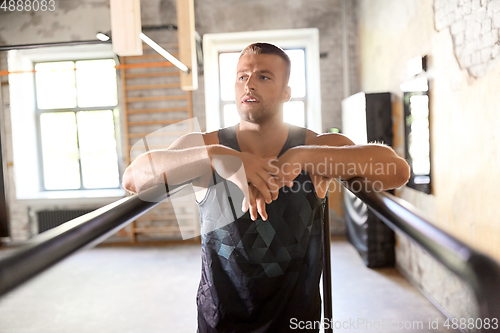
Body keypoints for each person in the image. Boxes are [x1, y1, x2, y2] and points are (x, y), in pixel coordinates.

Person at [123, 42, 410, 332]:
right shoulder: (204, 147)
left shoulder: (317, 147)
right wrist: (217, 157)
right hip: (220, 322)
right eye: (242, 76)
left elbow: (396, 171)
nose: (249, 84)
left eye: (263, 76)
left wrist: (300, 156)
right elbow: (134, 178)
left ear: (286, 93)